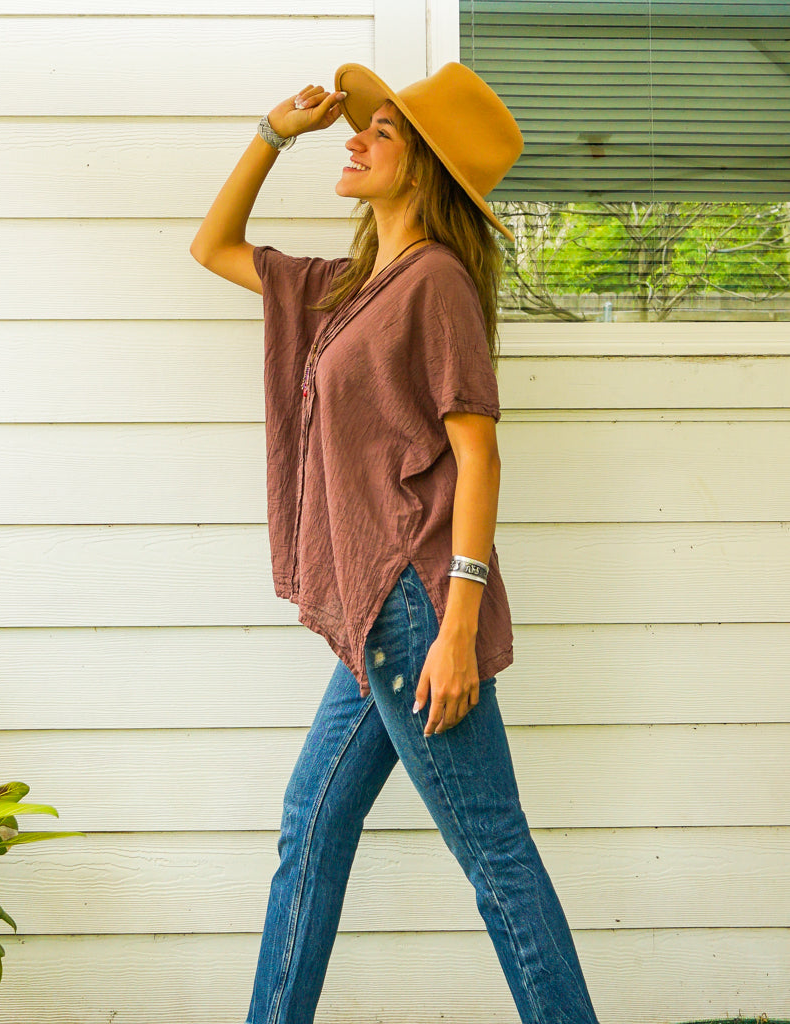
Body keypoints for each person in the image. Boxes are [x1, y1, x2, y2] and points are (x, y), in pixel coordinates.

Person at [190, 61, 600, 1024]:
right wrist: (273, 131)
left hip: (417, 606)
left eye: (382, 133)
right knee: (312, 825)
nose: (356, 139)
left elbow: (478, 456)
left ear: (423, 172)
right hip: (377, 608)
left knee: (493, 850)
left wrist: (459, 625)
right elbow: (213, 247)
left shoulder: (437, 285)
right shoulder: (346, 289)